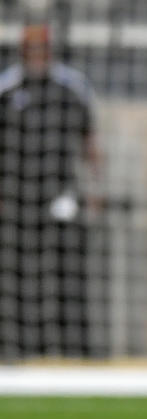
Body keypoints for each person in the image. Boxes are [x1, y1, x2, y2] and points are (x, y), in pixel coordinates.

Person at [0, 23, 100, 361]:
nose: (37, 55)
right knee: (17, 274)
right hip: (15, 198)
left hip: (61, 194)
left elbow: (90, 142)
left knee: (68, 272)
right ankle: (23, 350)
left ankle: (77, 351)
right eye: (32, 48)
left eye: (42, 48)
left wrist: (94, 188)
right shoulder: (8, 89)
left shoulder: (70, 88)